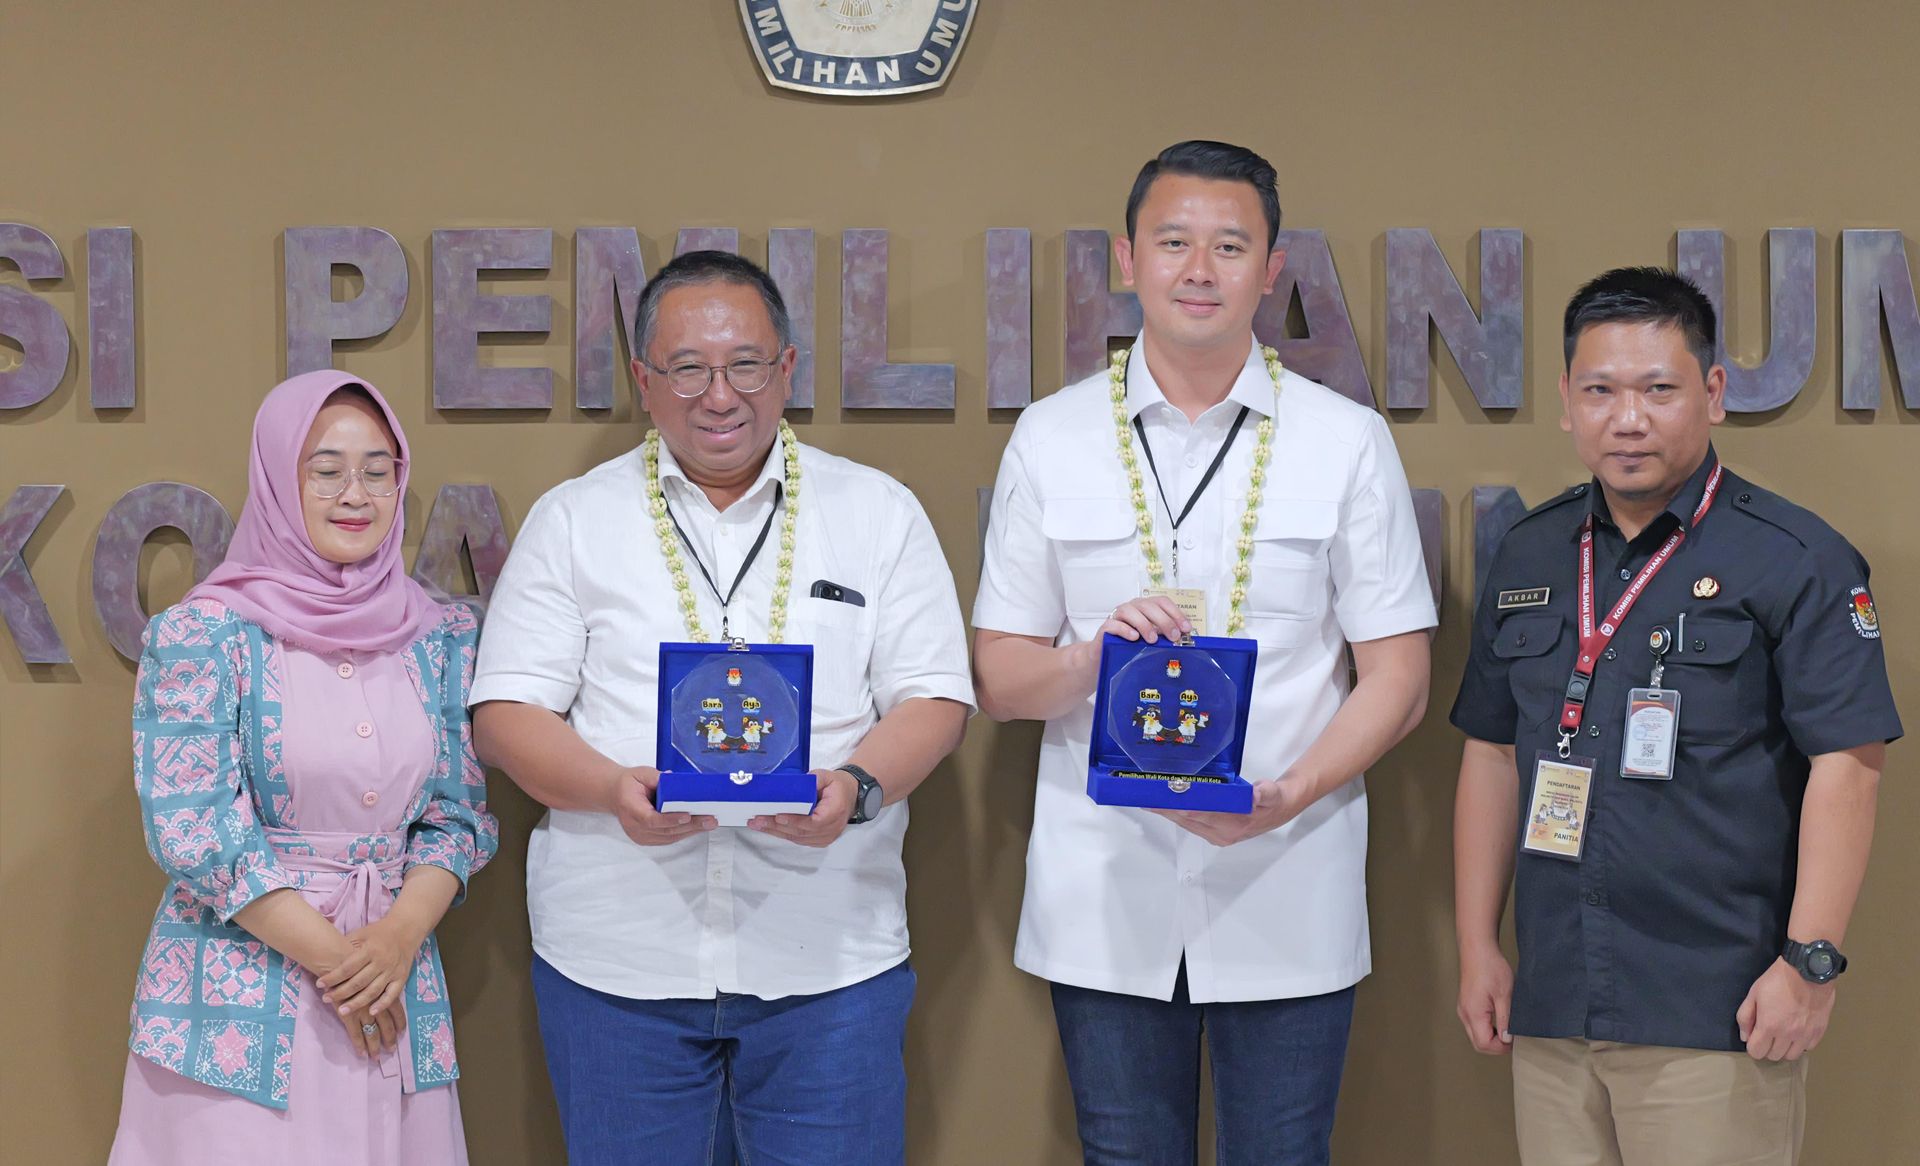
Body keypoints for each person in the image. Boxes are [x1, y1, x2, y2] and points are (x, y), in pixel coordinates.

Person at [971, 140, 1435, 1165]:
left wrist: (1290, 790)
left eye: (1230, 246)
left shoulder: (1344, 439)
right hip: (1106, 885)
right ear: (1126, 258)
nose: (1199, 268)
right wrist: (1094, 657)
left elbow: (1398, 675)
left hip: (1290, 869)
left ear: (1271, 270)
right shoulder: (1051, 438)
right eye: (1173, 241)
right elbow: (1002, 678)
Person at [470, 250, 973, 1164]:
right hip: (616, 965)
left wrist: (856, 788)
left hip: (830, 963)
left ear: (786, 370)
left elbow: (935, 698)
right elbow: (505, 716)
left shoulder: (876, 512)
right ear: (644, 381)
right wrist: (610, 788)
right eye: (688, 368)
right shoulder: (575, 519)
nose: (719, 395)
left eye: (745, 364)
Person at [1450, 267, 1901, 1165]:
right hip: (1553, 1000)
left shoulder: (1795, 558)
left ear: (1714, 393)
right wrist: (1476, 946)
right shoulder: (1532, 550)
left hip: (1717, 1007)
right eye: (1601, 391)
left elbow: (1848, 766)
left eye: (1660, 389)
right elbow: (1492, 755)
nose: (1629, 417)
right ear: (1569, 404)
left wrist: (1811, 961)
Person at [109, 370, 498, 1164]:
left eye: (377, 470)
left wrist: (395, 940)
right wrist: (342, 965)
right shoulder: (203, 633)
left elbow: (458, 813)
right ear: (280, 482)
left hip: (396, 991)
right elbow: (194, 828)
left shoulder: (440, 635)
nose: (354, 492)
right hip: (238, 1008)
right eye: (325, 470)